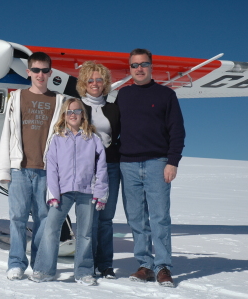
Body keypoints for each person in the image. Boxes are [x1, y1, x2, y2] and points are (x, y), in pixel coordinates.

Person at [115, 48, 185, 287]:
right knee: (136, 218)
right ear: (130, 68)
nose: (139, 69)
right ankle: (145, 264)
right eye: (134, 65)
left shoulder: (166, 95)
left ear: (151, 66)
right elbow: (114, 131)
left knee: (159, 217)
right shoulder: (122, 96)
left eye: (143, 64)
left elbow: (177, 131)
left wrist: (172, 161)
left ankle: (163, 266)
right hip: (128, 164)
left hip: (157, 163)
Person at [0, 52, 65, 280]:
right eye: (35, 70)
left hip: (47, 170)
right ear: (28, 72)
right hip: (20, 169)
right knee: (17, 217)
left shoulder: (59, 101)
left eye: (44, 70)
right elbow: (6, 134)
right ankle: (16, 263)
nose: (40, 74)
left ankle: (39, 264)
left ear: (50, 73)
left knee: (43, 219)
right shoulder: (16, 97)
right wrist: (4, 169)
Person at [29, 98, 109, 286]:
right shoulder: (57, 139)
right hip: (63, 193)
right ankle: (44, 270)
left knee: (85, 233)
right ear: (64, 116)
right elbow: (52, 168)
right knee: (51, 229)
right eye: (69, 112)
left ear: (83, 115)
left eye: (77, 111)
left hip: (86, 191)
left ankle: (83, 272)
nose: (73, 114)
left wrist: (100, 193)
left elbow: (101, 168)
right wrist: (53, 194)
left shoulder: (93, 139)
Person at [76, 61, 120, 279]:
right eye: (90, 80)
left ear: (105, 83)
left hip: (110, 166)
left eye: (99, 79)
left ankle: (105, 264)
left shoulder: (113, 108)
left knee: (106, 218)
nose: (95, 83)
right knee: (89, 218)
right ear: (84, 83)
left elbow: (119, 135)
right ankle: (88, 262)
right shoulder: (75, 105)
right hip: (86, 168)